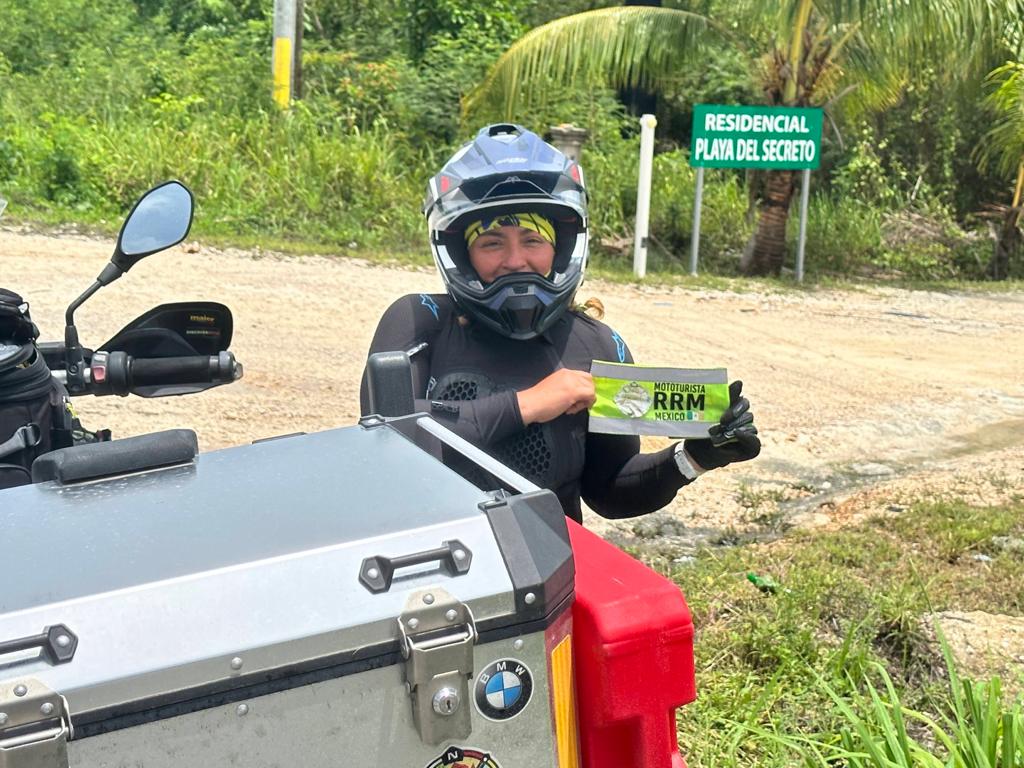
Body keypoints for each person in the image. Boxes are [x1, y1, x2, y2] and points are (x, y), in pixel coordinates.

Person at [360, 123, 760, 523]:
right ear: (462, 255)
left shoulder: (596, 345)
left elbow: (610, 490)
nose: (515, 260)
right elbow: (388, 440)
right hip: (433, 550)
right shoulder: (420, 321)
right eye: (492, 243)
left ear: (561, 249)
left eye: (533, 241)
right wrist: (529, 404)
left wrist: (692, 458)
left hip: (548, 558)